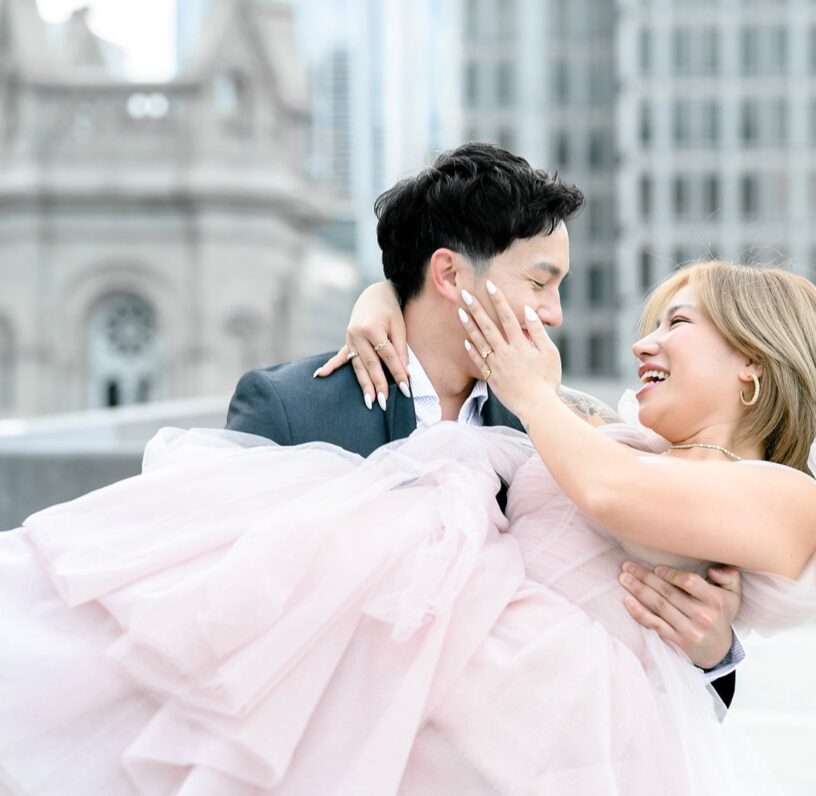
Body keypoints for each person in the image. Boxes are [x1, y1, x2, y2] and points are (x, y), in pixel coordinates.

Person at [0, 257, 816, 794]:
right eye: (651, 325)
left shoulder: (791, 498)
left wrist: (537, 392)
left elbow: (614, 500)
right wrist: (389, 297)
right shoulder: (594, 431)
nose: (643, 345)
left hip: (547, 752)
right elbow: (489, 394)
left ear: (754, 373)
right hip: (422, 716)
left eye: (678, 325)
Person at [225, 142, 744, 699]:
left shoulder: (561, 433)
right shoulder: (288, 409)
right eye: (540, 283)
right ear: (448, 273)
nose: (555, 314)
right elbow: (221, 618)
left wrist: (710, 652)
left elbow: (651, 655)